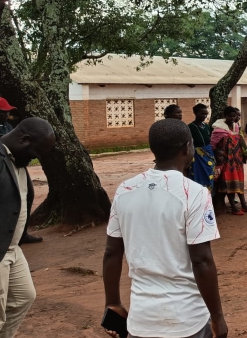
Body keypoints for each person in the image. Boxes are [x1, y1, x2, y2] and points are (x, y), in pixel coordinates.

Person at [102, 119, 226, 338]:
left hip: (141, 321)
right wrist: (217, 317)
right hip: (187, 320)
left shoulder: (125, 189)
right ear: (188, 148)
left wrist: (112, 303)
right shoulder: (194, 193)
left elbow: (112, 252)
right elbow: (201, 260)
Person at [0, 118, 55, 338]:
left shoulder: (17, 159)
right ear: (24, 140)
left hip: (13, 248)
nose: (37, 158)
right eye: (36, 152)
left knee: (23, 297)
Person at [0, 98, 43, 245]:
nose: (6, 113)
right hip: (0, 169)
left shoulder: (8, 126)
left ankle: (22, 233)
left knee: (28, 195)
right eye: (2, 111)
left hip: (16, 165)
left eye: (7, 110)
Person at [211, 107, 247, 215]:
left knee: (239, 182)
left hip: (237, 160)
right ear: (225, 116)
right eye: (230, 116)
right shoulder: (218, 129)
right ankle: (234, 207)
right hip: (226, 161)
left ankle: (244, 205)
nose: (233, 118)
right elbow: (213, 145)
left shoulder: (236, 127)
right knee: (228, 183)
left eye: (235, 116)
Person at [188, 103, 216, 191]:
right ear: (195, 113)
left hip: (208, 155)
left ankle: (208, 198)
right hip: (197, 157)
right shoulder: (190, 127)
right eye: (202, 114)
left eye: (206, 114)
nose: (204, 116)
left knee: (209, 176)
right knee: (198, 176)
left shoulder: (207, 126)